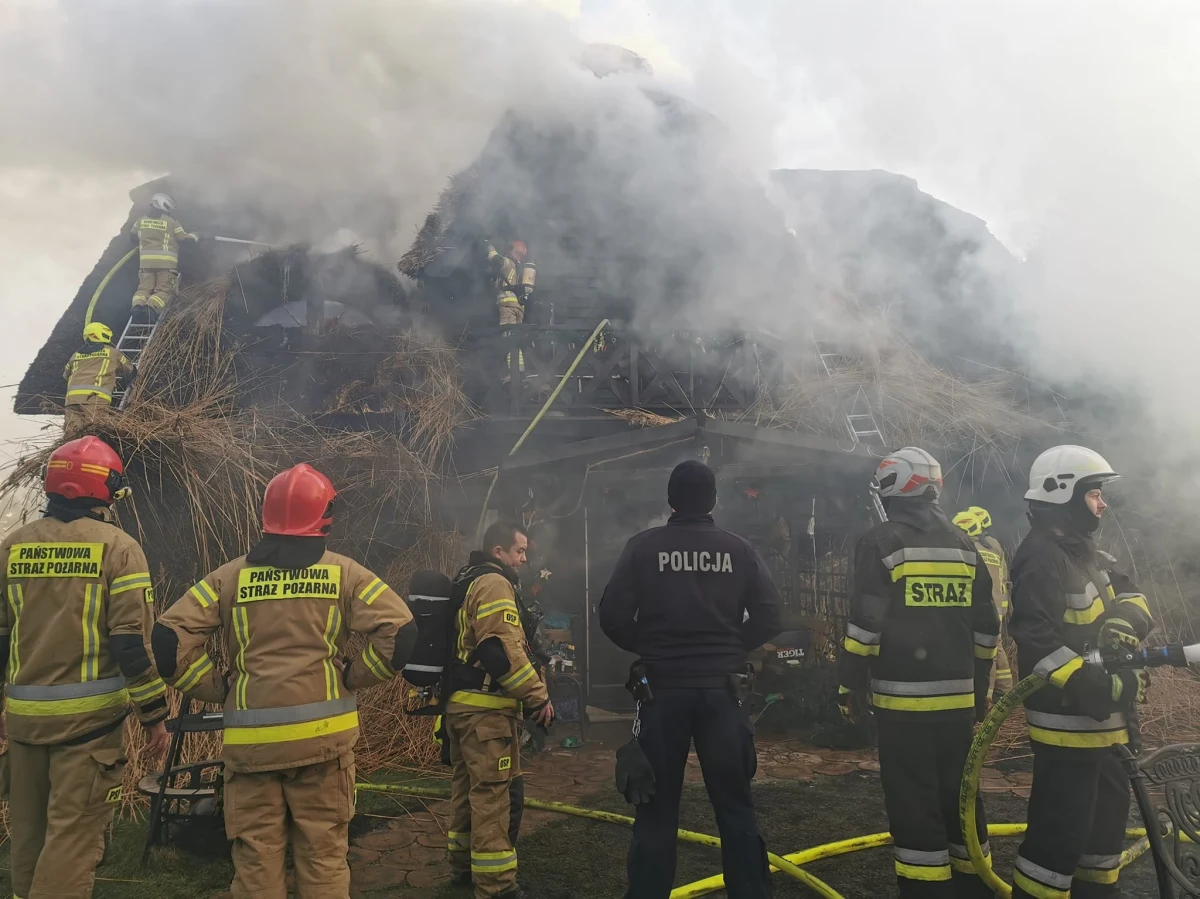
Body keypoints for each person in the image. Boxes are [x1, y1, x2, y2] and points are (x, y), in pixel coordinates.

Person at [151, 463, 417, 899]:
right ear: (324, 517)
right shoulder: (344, 574)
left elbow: (167, 640)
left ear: (267, 516)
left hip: (252, 747)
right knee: (324, 857)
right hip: (323, 744)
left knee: (256, 863)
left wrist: (217, 687)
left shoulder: (230, 577)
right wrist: (354, 675)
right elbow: (401, 632)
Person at [599, 460, 782, 899]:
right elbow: (772, 616)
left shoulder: (643, 548)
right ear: (714, 500)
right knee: (736, 806)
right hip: (724, 693)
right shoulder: (739, 549)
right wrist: (732, 648)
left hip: (662, 691)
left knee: (656, 808)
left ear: (670, 500)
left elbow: (611, 616)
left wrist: (652, 646)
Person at [0, 436, 170, 898]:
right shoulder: (118, 548)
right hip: (88, 730)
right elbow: (130, 645)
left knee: (29, 835)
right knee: (73, 840)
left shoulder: (12, 546)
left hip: (23, 726)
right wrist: (155, 715)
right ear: (108, 489)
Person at [837, 447, 998, 898]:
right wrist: (980, 688)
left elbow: (866, 625)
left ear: (891, 486)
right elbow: (988, 625)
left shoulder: (882, 541)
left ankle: (926, 891)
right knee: (961, 796)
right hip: (958, 706)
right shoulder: (966, 544)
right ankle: (974, 887)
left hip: (902, 703)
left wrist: (849, 683)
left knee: (913, 799)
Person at [1008, 445, 1152, 899]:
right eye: (1094, 494)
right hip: (1068, 731)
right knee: (1058, 840)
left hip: (1108, 730)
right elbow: (1036, 638)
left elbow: (1136, 597)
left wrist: (1122, 622)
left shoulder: (1087, 553)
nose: (1102, 504)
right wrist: (1093, 683)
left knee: (1103, 839)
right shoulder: (1041, 557)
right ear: (1063, 493)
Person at [444, 520, 554, 899]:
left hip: (462, 708)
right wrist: (537, 696)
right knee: (494, 796)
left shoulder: (468, 579)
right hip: (486, 713)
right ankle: (496, 887)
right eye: (519, 550)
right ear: (499, 552)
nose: (524, 558)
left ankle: (462, 869)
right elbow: (501, 649)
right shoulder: (494, 583)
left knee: (467, 792)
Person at [953, 505, 1014, 697]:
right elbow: (1004, 579)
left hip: (982, 606)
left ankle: (985, 695)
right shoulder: (993, 546)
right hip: (998, 605)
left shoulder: (970, 548)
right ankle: (1005, 690)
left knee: (987, 651)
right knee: (997, 647)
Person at [130, 192, 198, 323]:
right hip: (166, 265)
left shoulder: (140, 221)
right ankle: (151, 310)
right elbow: (184, 240)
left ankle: (137, 309)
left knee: (143, 289)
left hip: (145, 265)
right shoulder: (171, 222)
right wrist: (195, 235)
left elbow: (132, 238)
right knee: (164, 290)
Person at [62, 322, 136, 433]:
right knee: (96, 433)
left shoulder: (75, 355)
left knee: (72, 435)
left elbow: (65, 376)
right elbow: (130, 370)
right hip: (95, 400)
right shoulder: (112, 352)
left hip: (72, 401)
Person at [487, 240, 534, 326]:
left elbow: (497, 259)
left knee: (507, 335)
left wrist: (490, 246)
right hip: (519, 308)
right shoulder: (520, 269)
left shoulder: (509, 262)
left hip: (508, 305)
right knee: (515, 334)